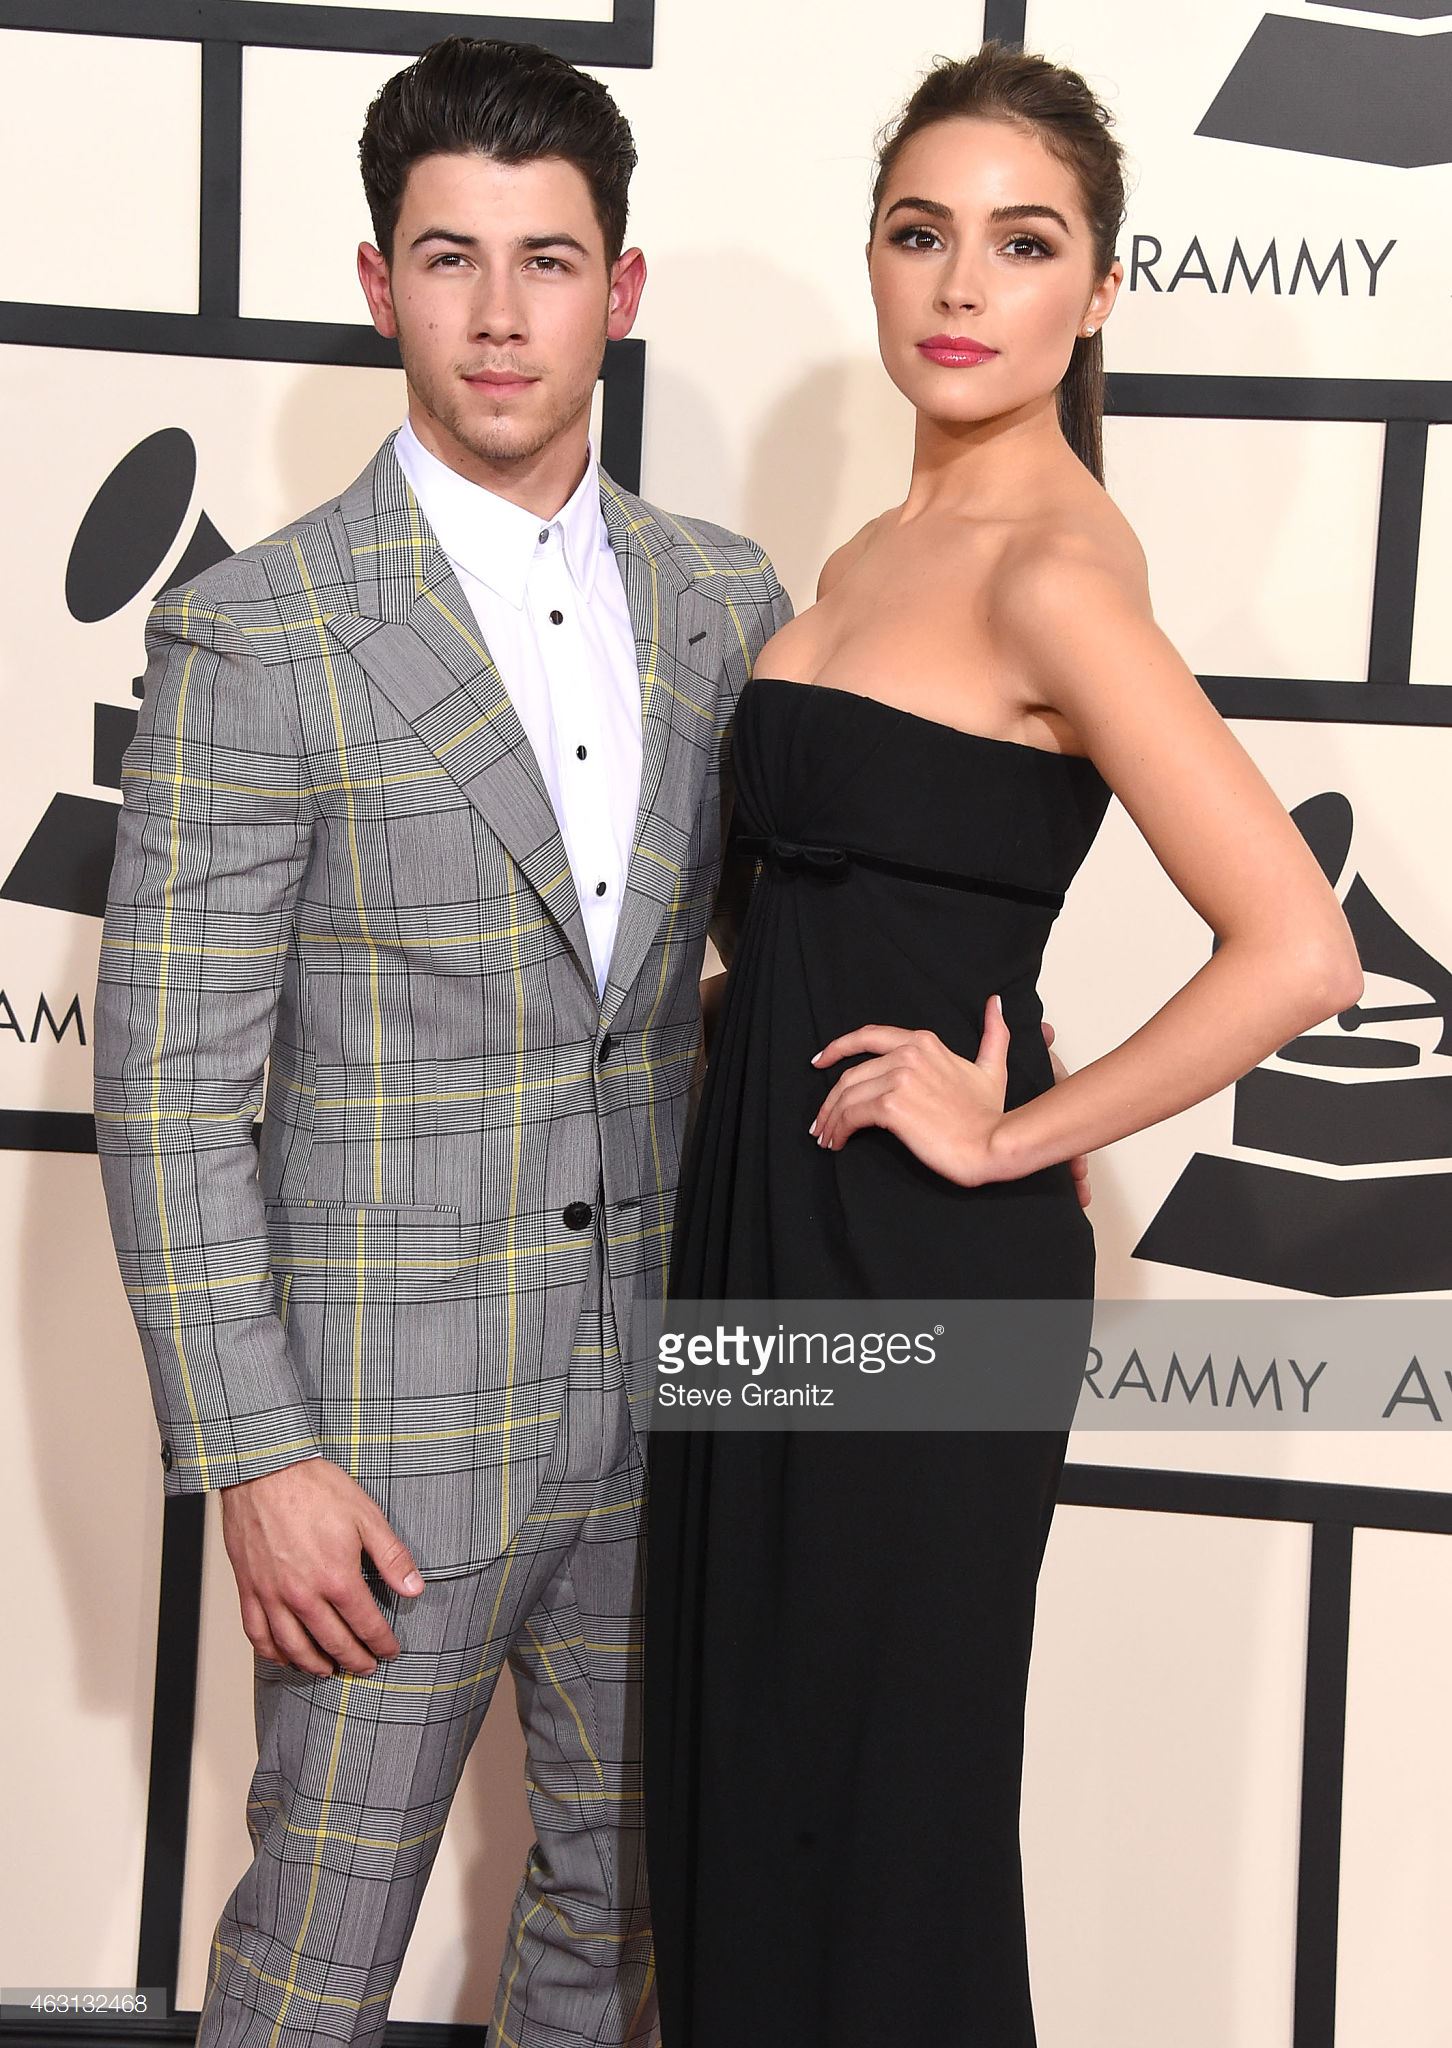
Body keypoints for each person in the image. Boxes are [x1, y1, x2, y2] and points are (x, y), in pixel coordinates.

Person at [640, 40, 1363, 2048]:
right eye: (921, 233)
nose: (963, 285)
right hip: (764, 1231)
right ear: (875, 258)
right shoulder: (866, 559)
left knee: (876, 1824)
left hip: (915, 1275)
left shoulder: (1054, 570)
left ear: (1101, 288)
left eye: (1024, 244)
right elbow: (830, 907)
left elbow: (1297, 947)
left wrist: (1011, 1129)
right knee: (746, 1790)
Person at [91, 35, 798, 2048]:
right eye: (450, 257)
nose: (500, 313)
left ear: (619, 290)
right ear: (377, 280)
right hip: (379, 1438)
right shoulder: (260, 632)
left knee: (622, 1923)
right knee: (315, 1959)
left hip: (669, 1399)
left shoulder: (725, 600)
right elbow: (163, 1089)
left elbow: (714, 977)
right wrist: (257, 1455)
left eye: (548, 261)